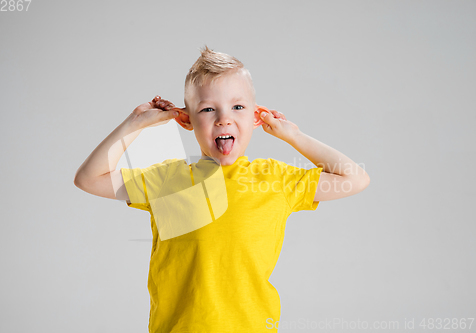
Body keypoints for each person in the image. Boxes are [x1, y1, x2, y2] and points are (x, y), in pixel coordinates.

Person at [74, 45, 370, 332]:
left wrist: (294, 136)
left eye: (238, 107)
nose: (224, 118)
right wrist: (134, 124)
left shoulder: (275, 179)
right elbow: (88, 178)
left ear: (256, 117)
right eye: (208, 109)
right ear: (187, 120)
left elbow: (355, 178)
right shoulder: (167, 181)